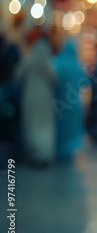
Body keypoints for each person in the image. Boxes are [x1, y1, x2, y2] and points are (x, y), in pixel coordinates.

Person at [15, 27, 57, 167]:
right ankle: (41, 154)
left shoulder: (31, 57)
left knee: (35, 125)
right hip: (43, 97)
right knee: (42, 125)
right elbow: (54, 77)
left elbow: (18, 74)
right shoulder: (43, 57)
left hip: (31, 96)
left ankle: (37, 153)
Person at [52, 36, 89, 163]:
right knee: (71, 130)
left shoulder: (58, 64)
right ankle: (68, 152)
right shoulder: (77, 67)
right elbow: (86, 83)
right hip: (73, 104)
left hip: (59, 102)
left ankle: (60, 152)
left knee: (61, 128)